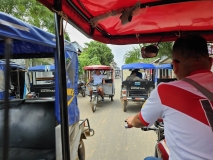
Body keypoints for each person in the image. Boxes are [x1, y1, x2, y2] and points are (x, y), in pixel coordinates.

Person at [126, 34, 213, 160]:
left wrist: (131, 121)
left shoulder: (165, 90)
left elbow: (140, 120)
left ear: (175, 66)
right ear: (210, 62)